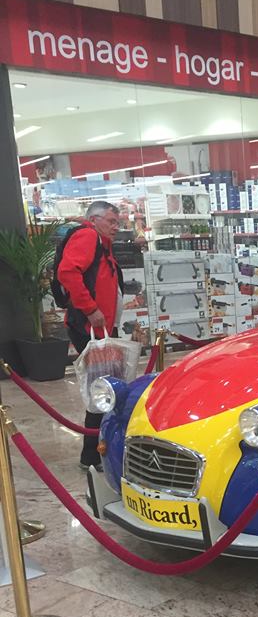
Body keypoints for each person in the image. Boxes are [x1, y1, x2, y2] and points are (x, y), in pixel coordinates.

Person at [57, 201, 122, 470]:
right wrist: (91, 309)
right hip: (90, 328)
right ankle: (92, 456)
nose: (116, 227)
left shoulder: (101, 243)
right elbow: (67, 272)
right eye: (111, 221)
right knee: (101, 391)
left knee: (105, 389)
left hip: (100, 329)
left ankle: (103, 449)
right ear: (94, 220)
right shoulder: (87, 236)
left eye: (118, 222)